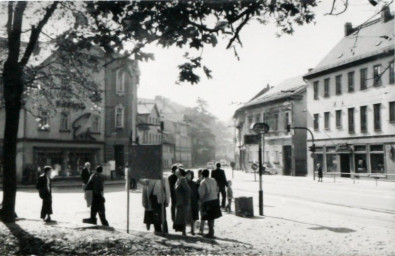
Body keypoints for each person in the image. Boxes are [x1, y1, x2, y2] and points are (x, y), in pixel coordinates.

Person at [199, 169, 222, 238]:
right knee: (212, 217)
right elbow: (217, 189)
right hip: (215, 199)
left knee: (209, 217)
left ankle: (210, 232)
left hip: (207, 200)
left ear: (202, 175)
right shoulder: (213, 180)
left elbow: (201, 193)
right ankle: (211, 231)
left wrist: (201, 200)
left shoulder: (203, 182)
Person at [173, 168, 191, 236]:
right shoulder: (178, 180)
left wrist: (186, 200)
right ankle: (182, 231)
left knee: (183, 217)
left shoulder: (183, 179)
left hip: (183, 202)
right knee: (179, 217)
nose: (175, 171)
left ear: (180, 172)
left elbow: (188, 190)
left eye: (177, 170)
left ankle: (184, 232)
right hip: (179, 201)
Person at [186, 170, 199, 235]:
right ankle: (185, 231)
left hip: (194, 202)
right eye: (187, 174)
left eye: (190, 174)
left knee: (194, 217)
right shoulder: (184, 183)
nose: (188, 176)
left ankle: (192, 230)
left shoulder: (194, 184)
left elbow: (197, 193)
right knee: (187, 217)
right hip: (187, 202)